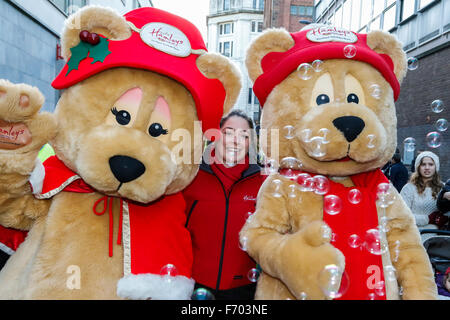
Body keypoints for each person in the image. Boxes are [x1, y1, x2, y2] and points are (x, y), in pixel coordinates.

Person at [182, 110, 265, 300]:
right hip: (191, 285)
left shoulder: (263, 182)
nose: (235, 141)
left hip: (244, 290)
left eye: (244, 136)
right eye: (228, 133)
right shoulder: (190, 176)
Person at [400, 151, 444, 230]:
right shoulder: (409, 188)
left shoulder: (443, 188)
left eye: (431, 164)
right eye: (423, 164)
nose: (427, 167)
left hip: (436, 236)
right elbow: (402, 215)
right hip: (413, 234)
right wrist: (428, 219)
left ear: (436, 167)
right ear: (418, 167)